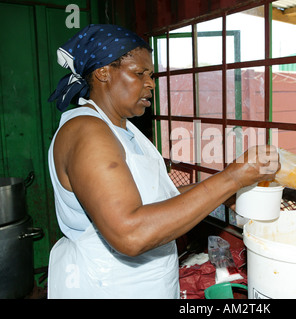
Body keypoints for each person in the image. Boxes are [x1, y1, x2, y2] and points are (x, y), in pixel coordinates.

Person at [46, 24, 279, 299]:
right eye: (139, 73)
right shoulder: (88, 131)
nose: (150, 83)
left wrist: (228, 184)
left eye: (151, 75)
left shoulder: (123, 129)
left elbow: (157, 200)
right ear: (103, 72)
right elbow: (130, 234)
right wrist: (232, 179)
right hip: (106, 287)